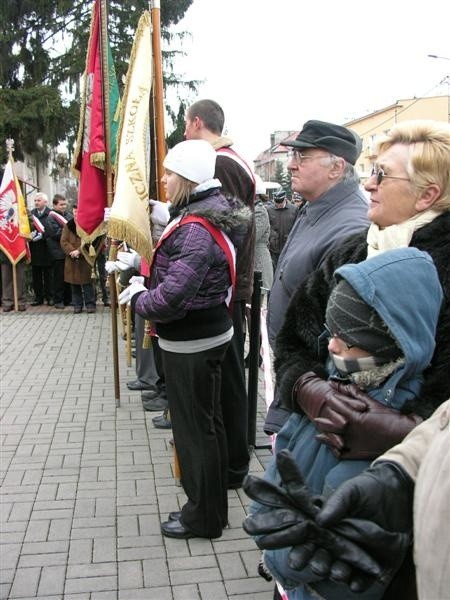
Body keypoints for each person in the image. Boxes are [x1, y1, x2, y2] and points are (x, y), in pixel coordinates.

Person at [244, 247, 443, 599]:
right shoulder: (334, 385)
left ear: (391, 343)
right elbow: (282, 465)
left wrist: (278, 558)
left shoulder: (387, 429)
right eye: (330, 330)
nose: (331, 346)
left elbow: (342, 568)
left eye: (347, 340)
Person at [272, 120, 450, 456]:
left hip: (410, 478)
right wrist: (307, 389)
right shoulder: (354, 250)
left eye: (382, 174)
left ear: (427, 195)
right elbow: (294, 339)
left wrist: (406, 433)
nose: (368, 184)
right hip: (322, 444)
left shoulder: (443, 266)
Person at [119, 139, 251, 539]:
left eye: (169, 172)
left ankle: (203, 517)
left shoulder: (196, 227)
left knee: (196, 434)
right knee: (206, 428)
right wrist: (144, 268)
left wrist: (140, 294)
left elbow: (174, 296)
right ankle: (209, 510)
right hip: (202, 335)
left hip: (191, 341)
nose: (163, 178)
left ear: (189, 178)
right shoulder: (201, 214)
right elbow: (181, 273)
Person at [265, 120, 370, 434]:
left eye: (302, 157)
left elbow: (335, 329)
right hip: (298, 376)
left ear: (336, 168)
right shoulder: (315, 207)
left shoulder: (349, 227)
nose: (292, 166)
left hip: (315, 385)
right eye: (292, 157)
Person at [184, 98, 256, 488]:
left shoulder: (222, 163)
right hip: (225, 285)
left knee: (226, 376)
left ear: (197, 123)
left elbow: (226, 229)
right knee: (223, 373)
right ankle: (230, 458)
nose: (182, 133)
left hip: (224, 288)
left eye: (185, 124)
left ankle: (232, 463)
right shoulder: (225, 159)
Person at [60, 205, 98, 313]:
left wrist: (79, 251)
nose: (76, 214)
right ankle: (77, 305)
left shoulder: (88, 225)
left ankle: (90, 305)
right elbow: (63, 241)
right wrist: (71, 251)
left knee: (87, 283)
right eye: (74, 212)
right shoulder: (68, 225)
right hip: (71, 258)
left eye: (78, 211)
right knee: (74, 283)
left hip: (85, 258)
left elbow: (91, 241)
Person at [46, 194, 72, 309]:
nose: (63, 206)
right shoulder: (51, 217)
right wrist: (67, 232)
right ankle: (58, 300)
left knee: (68, 277)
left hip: (68, 251)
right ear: (55, 205)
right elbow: (55, 234)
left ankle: (68, 299)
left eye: (64, 204)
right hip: (57, 252)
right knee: (58, 278)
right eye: (61, 204)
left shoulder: (68, 215)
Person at [29, 192, 54, 306]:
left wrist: (43, 235)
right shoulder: (31, 214)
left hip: (47, 249)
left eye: (38, 200)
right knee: (36, 275)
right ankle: (38, 298)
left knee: (48, 275)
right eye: (35, 200)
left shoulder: (51, 214)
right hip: (35, 249)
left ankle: (50, 297)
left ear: (45, 202)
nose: (36, 202)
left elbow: (52, 229)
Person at [266, 189, 297, 271]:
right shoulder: (268, 210)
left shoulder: (294, 210)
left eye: (280, 202)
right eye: (277, 202)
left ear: (285, 199)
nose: (278, 204)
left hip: (288, 246)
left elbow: (297, 226)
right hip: (273, 248)